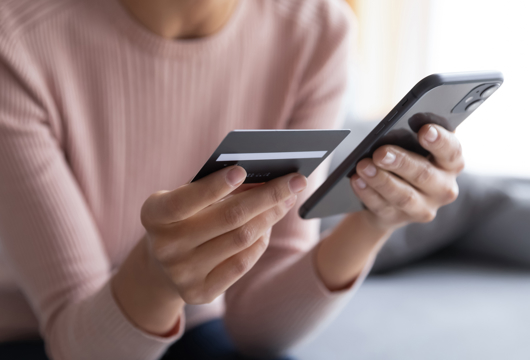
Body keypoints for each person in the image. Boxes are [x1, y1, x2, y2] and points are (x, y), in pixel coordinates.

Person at [0, 0, 465, 359]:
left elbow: (258, 327)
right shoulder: (17, 39)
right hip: (37, 334)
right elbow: (78, 345)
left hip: (197, 324)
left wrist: (373, 222)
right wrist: (157, 278)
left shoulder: (317, 29)